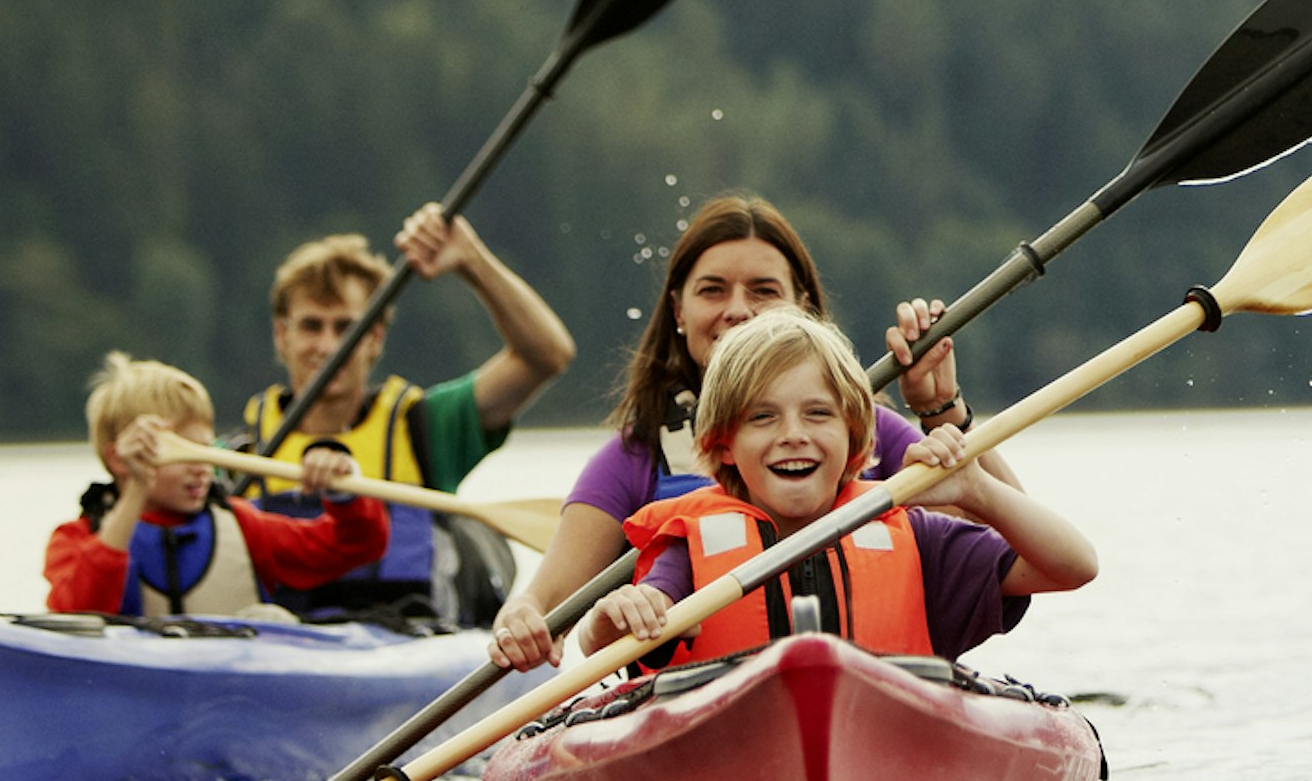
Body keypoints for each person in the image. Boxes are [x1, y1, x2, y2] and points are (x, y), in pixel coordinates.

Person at [484, 193, 976, 672]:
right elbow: (540, 606)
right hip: (695, 712)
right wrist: (521, 621)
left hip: (871, 695)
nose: (738, 310)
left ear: (801, 306)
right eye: (713, 290)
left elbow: (995, 543)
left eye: (763, 290)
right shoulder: (632, 459)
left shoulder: (863, 429)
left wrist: (938, 409)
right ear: (679, 311)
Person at [573, 306, 1091, 668]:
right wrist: (609, 617)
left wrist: (977, 490)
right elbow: (601, 646)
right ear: (723, 444)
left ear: (858, 443)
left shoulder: (918, 538)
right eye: (763, 417)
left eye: (818, 414)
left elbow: (1073, 566)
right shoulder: (691, 553)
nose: (793, 434)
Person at [238, 204, 576, 625]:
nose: (327, 347)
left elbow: (545, 355)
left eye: (346, 328)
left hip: (404, 647)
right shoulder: (238, 455)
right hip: (276, 647)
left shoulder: (426, 426)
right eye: (311, 326)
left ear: (375, 338)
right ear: (281, 335)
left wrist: (471, 260)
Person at [45, 353, 381, 617]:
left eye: (206, 449)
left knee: (270, 619)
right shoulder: (74, 541)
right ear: (119, 460)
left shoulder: (243, 527)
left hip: (235, 696)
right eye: (181, 452)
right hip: (136, 696)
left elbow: (356, 546)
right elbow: (79, 613)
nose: (203, 467)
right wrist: (137, 490)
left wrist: (343, 491)